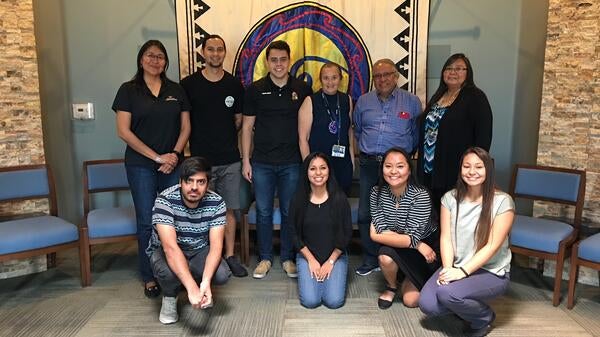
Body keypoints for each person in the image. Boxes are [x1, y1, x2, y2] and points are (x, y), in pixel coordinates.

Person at [112, 39, 191, 298]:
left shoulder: (176, 90)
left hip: (173, 165)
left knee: (174, 220)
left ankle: (174, 270)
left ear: (165, 61)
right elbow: (123, 131)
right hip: (141, 166)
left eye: (160, 56)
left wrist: (175, 155)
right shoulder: (128, 90)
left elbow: (185, 127)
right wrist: (157, 158)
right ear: (141, 59)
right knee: (147, 221)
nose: (155, 60)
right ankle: (149, 276)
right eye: (150, 55)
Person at [419, 147, 514, 337]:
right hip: (457, 265)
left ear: (488, 170)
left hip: (491, 271)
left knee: (447, 294)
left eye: (479, 167)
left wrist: (462, 272)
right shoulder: (450, 198)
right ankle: (464, 305)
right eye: (467, 166)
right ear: (460, 169)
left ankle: (483, 317)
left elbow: (493, 246)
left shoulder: (503, 201)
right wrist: (447, 270)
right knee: (427, 304)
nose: (472, 172)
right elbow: (445, 237)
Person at [241, 40, 312, 279]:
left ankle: (288, 258)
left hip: (292, 162)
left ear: (289, 61)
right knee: (263, 212)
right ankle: (264, 258)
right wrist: (246, 161)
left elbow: (307, 128)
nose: (279, 64)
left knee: (290, 211)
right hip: (261, 163)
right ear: (267, 62)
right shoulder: (255, 89)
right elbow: (247, 126)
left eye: (283, 59)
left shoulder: (302, 89)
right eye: (274, 60)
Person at [180, 34, 247, 277]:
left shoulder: (234, 85)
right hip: (200, 162)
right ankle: (207, 254)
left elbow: (238, 121)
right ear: (203, 52)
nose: (216, 54)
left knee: (229, 210)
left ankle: (229, 256)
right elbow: (184, 122)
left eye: (220, 49)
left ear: (224, 52)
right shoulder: (188, 85)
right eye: (211, 49)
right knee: (200, 210)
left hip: (229, 158)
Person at [353, 58, 422, 276]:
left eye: (387, 75)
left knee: (398, 214)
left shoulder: (411, 102)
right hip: (369, 164)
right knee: (365, 213)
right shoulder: (363, 101)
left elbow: (416, 134)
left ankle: (395, 259)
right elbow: (358, 130)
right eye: (378, 76)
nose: (382, 79)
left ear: (396, 76)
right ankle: (371, 258)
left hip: (397, 169)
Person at [147, 157, 231, 324]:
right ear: (180, 182)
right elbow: (170, 248)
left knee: (222, 274)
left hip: (199, 249)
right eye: (189, 181)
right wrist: (191, 288)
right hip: (167, 250)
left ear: (208, 184)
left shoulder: (217, 202)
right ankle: (170, 296)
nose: (194, 187)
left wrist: (206, 282)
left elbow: (216, 247)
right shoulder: (164, 200)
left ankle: (202, 289)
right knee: (168, 273)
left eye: (200, 182)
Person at [417, 53, 493, 210]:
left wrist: (473, 168)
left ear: (468, 72)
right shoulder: (438, 96)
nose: (452, 72)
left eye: (458, 68)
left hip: (456, 171)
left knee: (453, 215)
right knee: (433, 216)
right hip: (430, 169)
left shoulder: (476, 97)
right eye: (448, 68)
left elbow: (483, 137)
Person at [369, 147, 439, 309]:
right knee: (385, 257)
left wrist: (375, 237)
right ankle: (392, 286)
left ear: (409, 170)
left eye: (400, 166)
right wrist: (416, 244)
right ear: (382, 169)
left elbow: (410, 237)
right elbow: (381, 227)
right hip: (411, 247)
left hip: (427, 252)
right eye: (388, 166)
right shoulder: (376, 192)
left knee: (411, 301)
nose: (394, 171)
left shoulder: (420, 195)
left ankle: (407, 275)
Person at [289, 152, 353, 309]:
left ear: (329, 171)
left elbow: (346, 233)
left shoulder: (339, 198)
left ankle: (328, 278)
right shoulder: (298, 199)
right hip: (307, 255)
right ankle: (318, 278)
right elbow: (293, 233)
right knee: (311, 301)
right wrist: (311, 260)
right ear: (306, 172)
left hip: (335, 255)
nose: (318, 173)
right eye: (313, 169)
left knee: (333, 301)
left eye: (323, 168)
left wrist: (330, 262)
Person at [298, 63, 355, 194]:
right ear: (320, 79)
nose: (330, 82)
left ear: (340, 79)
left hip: (342, 163)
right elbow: (303, 139)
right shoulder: (310, 101)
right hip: (319, 167)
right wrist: (309, 167)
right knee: (320, 207)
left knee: (340, 205)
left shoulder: (347, 100)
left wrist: (351, 161)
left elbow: (349, 132)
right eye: (326, 78)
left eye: (334, 77)